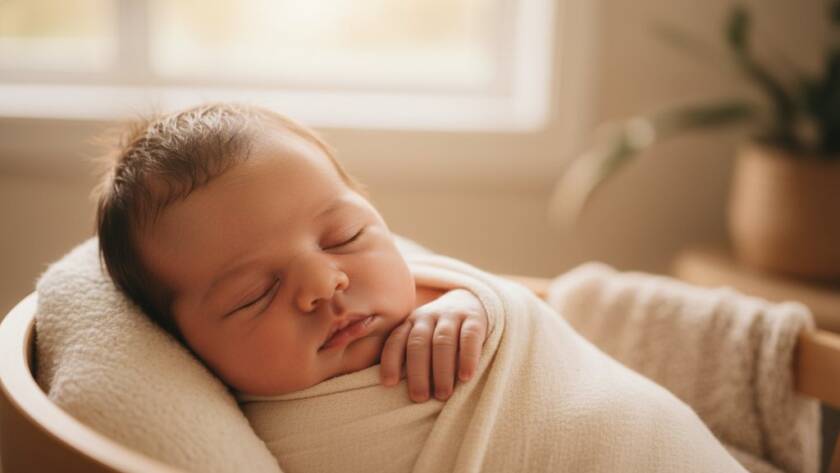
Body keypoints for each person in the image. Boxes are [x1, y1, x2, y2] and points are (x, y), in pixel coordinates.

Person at [95, 102, 489, 402]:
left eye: (344, 237)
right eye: (254, 294)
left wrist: (477, 306)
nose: (323, 283)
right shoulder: (231, 434)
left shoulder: (441, 297)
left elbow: (537, 313)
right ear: (181, 345)